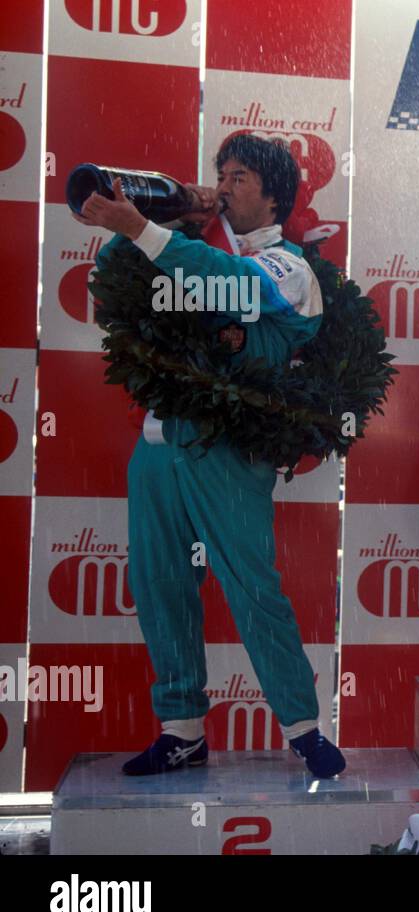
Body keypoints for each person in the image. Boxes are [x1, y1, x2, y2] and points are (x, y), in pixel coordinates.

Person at [73, 135, 346, 778]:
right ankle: (182, 730)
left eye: (241, 175)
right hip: (158, 446)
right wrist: (160, 217)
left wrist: (145, 227)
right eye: (222, 173)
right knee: (159, 584)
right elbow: (112, 280)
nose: (224, 184)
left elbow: (230, 289)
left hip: (228, 448)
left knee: (252, 589)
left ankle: (303, 730)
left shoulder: (292, 268)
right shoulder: (191, 239)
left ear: (275, 193)